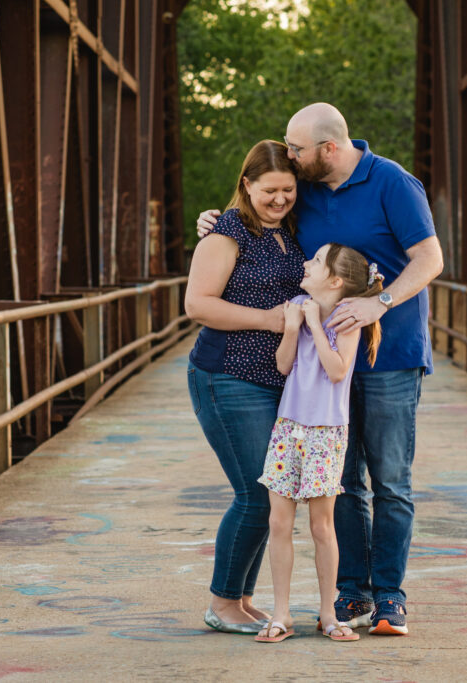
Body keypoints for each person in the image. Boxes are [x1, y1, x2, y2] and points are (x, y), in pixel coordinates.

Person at [197, 103, 444, 636]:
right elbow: (259, 208)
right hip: (318, 363)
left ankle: (390, 597)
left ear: (328, 148)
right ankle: (350, 594)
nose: (290, 154)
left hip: (390, 354)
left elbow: (430, 259)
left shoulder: (393, 183)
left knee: (391, 481)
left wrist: (382, 303)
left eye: (297, 147)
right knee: (343, 484)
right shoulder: (304, 187)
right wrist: (216, 222)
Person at [185, 139, 306, 634]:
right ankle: (221, 603)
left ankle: (242, 597)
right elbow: (198, 304)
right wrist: (268, 320)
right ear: (246, 185)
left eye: (288, 190)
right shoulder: (225, 233)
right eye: (269, 191)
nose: (279, 199)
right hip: (226, 376)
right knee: (256, 493)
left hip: (274, 380)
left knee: (272, 492)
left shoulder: (291, 230)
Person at [254, 243, 383, 644]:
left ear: (335, 280)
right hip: (288, 426)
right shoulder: (296, 304)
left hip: (326, 432)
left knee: (321, 525)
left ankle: (328, 614)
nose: (305, 264)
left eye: (314, 261)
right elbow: (283, 365)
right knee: (279, 521)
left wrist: (313, 326)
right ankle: (281, 614)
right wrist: (293, 327)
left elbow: (338, 370)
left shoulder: (347, 318)